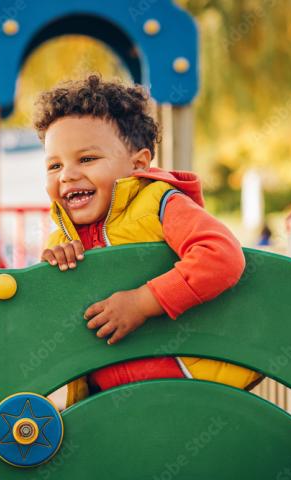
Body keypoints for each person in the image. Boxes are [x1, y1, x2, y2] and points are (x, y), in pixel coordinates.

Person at [34, 74, 260, 407]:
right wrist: (52, 272)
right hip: (108, 405)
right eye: (54, 165)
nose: (67, 174)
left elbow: (221, 255)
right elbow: (54, 319)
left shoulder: (160, 203)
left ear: (138, 163)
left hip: (188, 382)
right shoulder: (62, 237)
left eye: (86, 159)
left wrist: (142, 302)